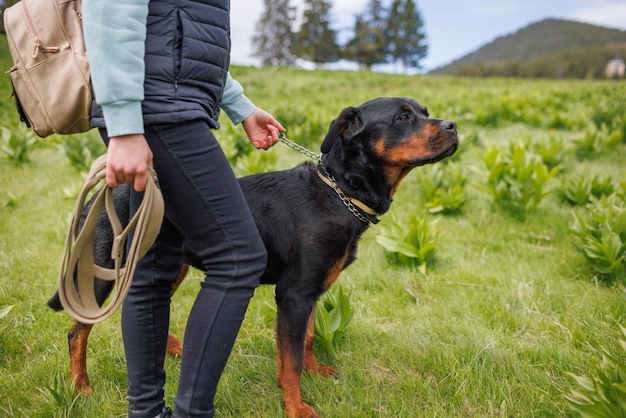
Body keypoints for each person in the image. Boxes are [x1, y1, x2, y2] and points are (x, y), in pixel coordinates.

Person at [82, 0, 285, 417]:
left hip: (168, 103)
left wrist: (240, 105)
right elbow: (111, 11)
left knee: (155, 265)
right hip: (156, 109)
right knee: (239, 256)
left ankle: (147, 412)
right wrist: (124, 126)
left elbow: (183, 32)